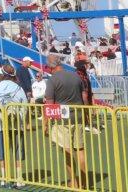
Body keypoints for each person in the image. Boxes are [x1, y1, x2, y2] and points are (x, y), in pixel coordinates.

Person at [44, 54, 88, 187]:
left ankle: (74, 182)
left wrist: (45, 124)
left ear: (50, 66)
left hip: (62, 120)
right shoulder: (76, 76)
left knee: (68, 151)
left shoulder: (52, 80)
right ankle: (84, 182)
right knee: (80, 150)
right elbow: (84, 97)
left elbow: (49, 104)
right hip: (78, 116)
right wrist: (86, 115)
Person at [0, 64, 27, 187]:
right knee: (17, 150)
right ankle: (19, 178)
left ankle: (3, 178)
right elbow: (25, 106)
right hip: (17, 124)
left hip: (1, 124)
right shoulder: (18, 88)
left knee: (2, 151)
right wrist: (21, 118)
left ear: (3, 74)